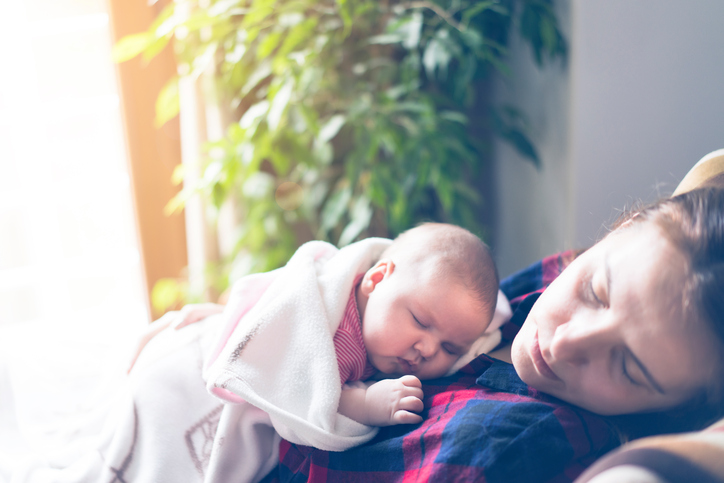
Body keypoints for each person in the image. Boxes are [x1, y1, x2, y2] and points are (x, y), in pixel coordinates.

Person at [129, 222, 500, 427]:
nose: (429, 349)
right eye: (420, 321)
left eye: (451, 348)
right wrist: (368, 403)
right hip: (194, 370)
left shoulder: (414, 307)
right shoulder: (331, 326)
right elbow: (310, 392)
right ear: (375, 279)